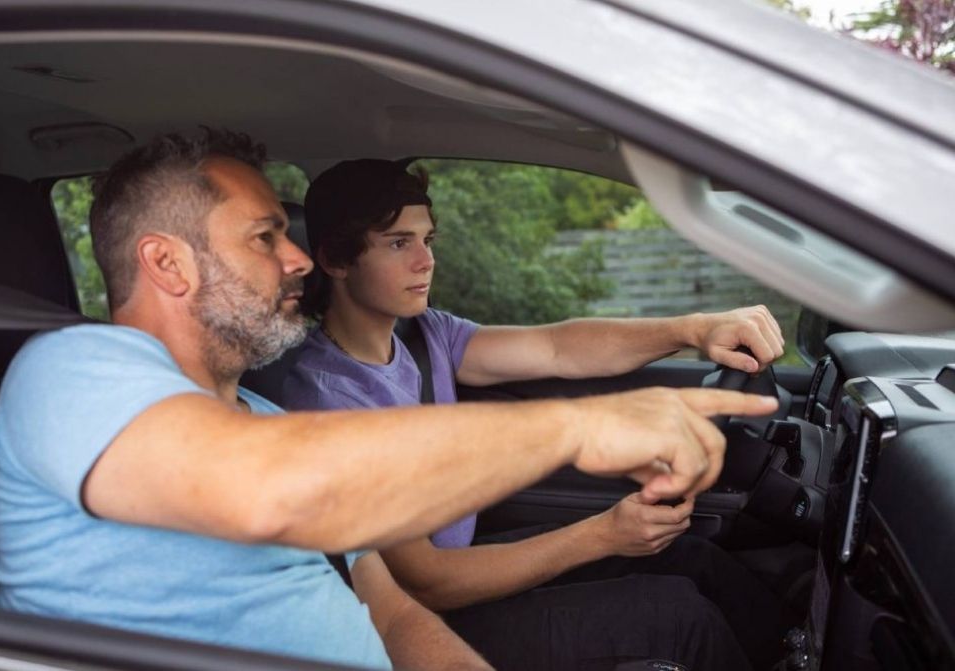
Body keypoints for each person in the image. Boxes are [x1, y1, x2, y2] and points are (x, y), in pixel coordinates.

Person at [0, 129, 778, 671]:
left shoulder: (263, 419)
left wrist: (687, 329)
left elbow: (397, 617)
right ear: (168, 264)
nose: (297, 257)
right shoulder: (69, 369)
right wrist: (579, 426)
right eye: (265, 237)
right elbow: (273, 490)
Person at [279, 158, 792, 670]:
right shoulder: (330, 400)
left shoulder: (422, 333)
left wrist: (694, 330)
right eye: (398, 243)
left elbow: (557, 348)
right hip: (423, 624)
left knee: (690, 559)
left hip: (463, 572)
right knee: (676, 618)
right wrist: (603, 535)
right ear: (337, 260)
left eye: (427, 241)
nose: (425, 261)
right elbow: (426, 580)